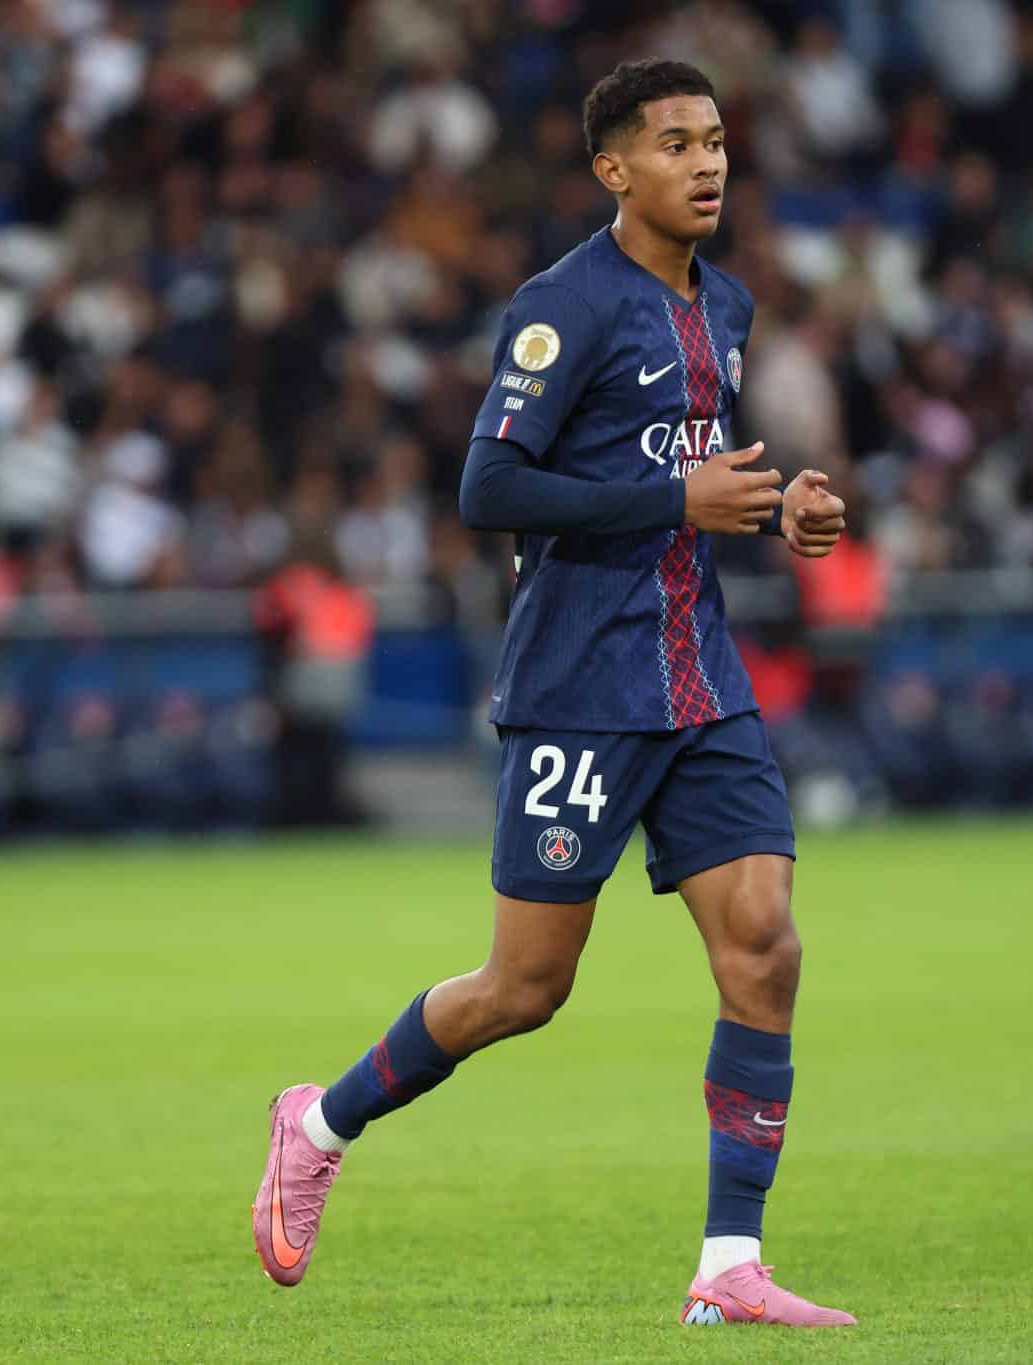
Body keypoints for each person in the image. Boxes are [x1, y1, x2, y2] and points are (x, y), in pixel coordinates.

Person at [251, 59, 854, 1328]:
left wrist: (775, 508)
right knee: (524, 988)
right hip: (580, 688)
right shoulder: (561, 307)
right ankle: (317, 1123)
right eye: (675, 144)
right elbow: (490, 488)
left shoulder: (726, 304)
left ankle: (728, 1264)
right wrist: (677, 499)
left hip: (700, 679)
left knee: (765, 946)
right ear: (612, 170)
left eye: (715, 140)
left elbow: (685, 477)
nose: (706, 163)